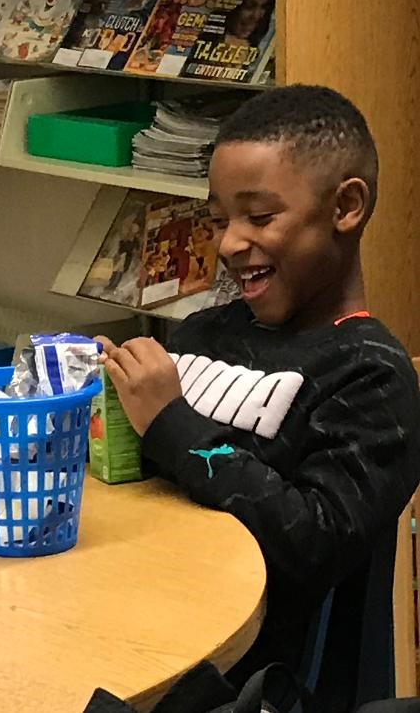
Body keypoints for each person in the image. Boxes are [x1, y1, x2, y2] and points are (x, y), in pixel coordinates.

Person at [95, 85, 420, 707]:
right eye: (219, 220)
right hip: (139, 626)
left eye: (260, 217)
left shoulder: (370, 375)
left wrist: (172, 423)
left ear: (346, 207)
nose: (228, 243)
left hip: (254, 686)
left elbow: (312, 541)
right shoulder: (201, 334)